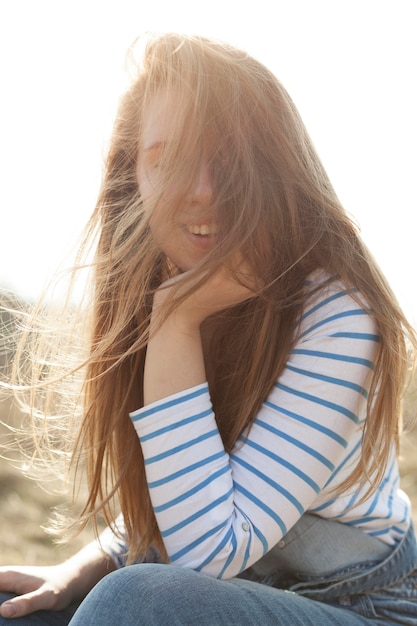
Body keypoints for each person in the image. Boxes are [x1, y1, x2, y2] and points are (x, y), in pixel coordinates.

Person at [0, 32, 416, 625]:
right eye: (167, 159)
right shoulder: (154, 283)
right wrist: (86, 564)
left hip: (359, 605)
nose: (202, 191)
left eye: (227, 159)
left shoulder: (339, 316)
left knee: (135, 601)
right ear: (133, 177)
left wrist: (177, 321)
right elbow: (192, 491)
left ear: (274, 168)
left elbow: (206, 555)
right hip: (214, 593)